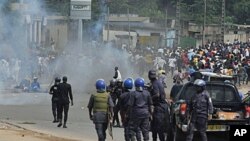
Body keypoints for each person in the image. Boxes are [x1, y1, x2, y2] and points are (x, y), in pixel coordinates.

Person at [148, 70, 171, 141]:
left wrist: (149, 99)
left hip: (159, 107)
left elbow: (157, 95)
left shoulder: (154, 84)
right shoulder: (158, 82)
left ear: (149, 76)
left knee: (158, 127)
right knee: (158, 127)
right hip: (163, 107)